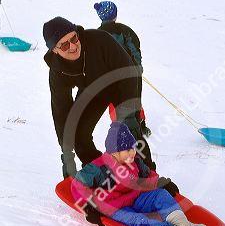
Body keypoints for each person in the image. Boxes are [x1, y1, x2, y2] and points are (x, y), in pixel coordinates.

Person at [43, 16, 156, 179]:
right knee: (79, 135)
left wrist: (129, 114)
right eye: (64, 44)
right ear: (54, 50)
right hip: (94, 90)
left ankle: (148, 175)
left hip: (123, 81)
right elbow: (61, 111)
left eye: (73, 38)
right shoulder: (57, 71)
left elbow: (128, 72)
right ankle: (100, 173)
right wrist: (67, 154)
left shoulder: (100, 40)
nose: (73, 46)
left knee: (130, 130)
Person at [71, 122, 207, 226]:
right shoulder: (100, 168)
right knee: (137, 221)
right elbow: (78, 185)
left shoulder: (134, 162)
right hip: (114, 207)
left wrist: (160, 183)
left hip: (136, 197)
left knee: (161, 195)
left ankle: (184, 225)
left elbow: (147, 176)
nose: (133, 153)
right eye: (128, 150)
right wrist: (88, 207)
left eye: (134, 148)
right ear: (114, 153)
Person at [94, 0, 151, 138]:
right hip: (131, 75)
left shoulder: (96, 36)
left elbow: (96, 59)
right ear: (115, 15)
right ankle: (139, 127)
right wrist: (138, 67)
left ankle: (120, 127)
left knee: (115, 103)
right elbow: (135, 49)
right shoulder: (125, 31)